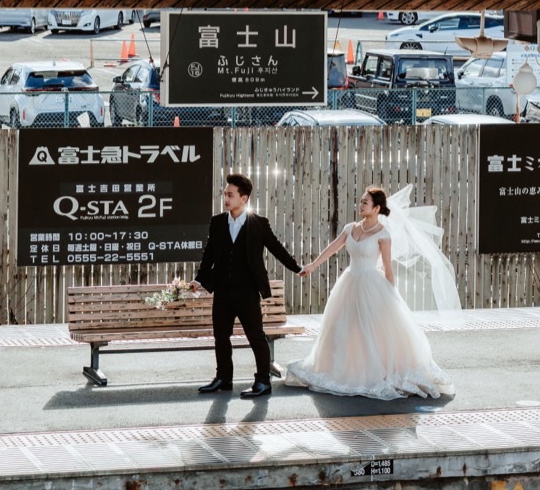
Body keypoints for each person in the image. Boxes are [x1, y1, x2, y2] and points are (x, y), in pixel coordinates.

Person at [284, 185, 456, 401]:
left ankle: (372, 371)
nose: (361, 204)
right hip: (349, 282)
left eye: (365, 202)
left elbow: (387, 267)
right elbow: (331, 249)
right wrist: (313, 265)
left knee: (370, 330)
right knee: (343, 328)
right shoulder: (350, 228)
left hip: (371, 285)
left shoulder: (383, 234)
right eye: (361, 201)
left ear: (376, 208)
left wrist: (392, 296)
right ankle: (345, 369)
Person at [190, 172, 303, 399]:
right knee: (221, 336)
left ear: (244, 198)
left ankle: (262, 381)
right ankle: (223, 378)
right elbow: (209, 254)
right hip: (222, 290)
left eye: (231, 195)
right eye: (225, 194)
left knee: (255, 336)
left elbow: (276, 248)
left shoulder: (259, 224)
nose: (226, 198)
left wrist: (297, 268)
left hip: (247, 291)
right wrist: (199, 279)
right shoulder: (218, 222)